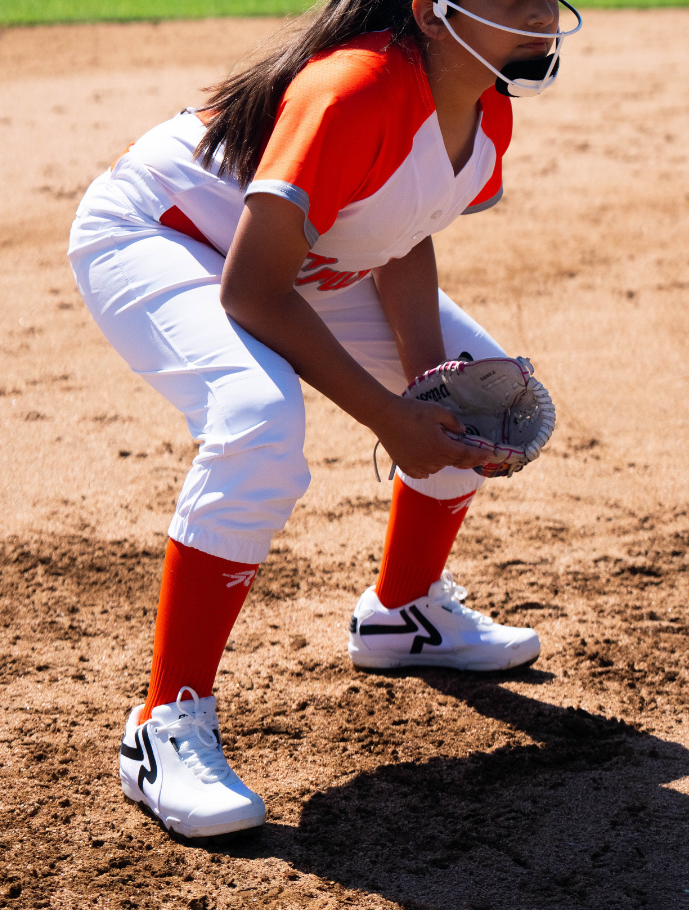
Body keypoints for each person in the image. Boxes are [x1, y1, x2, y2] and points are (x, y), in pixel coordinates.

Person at [68, 0, 581, 841]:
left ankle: (403, 615)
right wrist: (389, 418)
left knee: (480, 397)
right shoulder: (352, 89)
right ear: (431, 11)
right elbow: (251, 291)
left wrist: (428, 383)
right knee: (259, 424)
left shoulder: (485, 107)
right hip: (162, 234)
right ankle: (163, 725)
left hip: (293, 255)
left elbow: (395, 229)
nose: (537, 3)